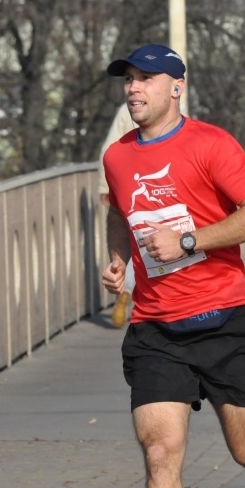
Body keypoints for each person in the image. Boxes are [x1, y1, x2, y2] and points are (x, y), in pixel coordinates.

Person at [101, 43, 245, 488]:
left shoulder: (211, 144)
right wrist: (118, 259)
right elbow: (117, 212)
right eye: (129, 79)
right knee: (159, 454)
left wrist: (187, 241)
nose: (133, 88)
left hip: (224, 322)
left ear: (177, 87)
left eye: (144, 78)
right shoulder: (117, 156)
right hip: (156, 330)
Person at [98, 103, 138, 327]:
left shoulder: (126, 109)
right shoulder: (177, 111)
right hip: (155, 187)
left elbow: (108, 148)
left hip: (127, 185)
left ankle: (126, 291)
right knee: (148, 245)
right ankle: (131, 292)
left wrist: (105, 186)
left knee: (133, 245)